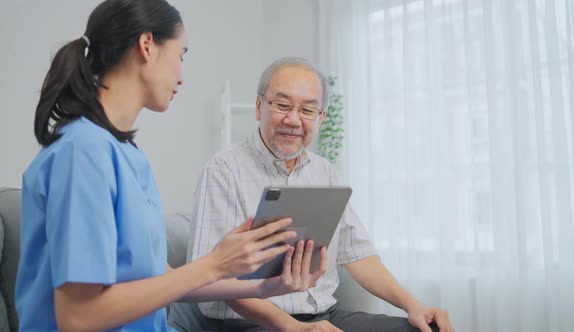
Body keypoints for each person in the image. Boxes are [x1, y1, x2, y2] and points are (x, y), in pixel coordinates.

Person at [15, 2, 326, 331]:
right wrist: (212, 264)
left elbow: (159, 278)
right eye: (182, 55)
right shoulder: (82, 152)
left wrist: (265, 287)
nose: (182, 76)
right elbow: (78, 317)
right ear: (147, 45)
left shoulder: (126, 153)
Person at [182, 57, 455, 332]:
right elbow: (211, 279)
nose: (293, 119)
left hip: (324, 316)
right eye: (282, 105)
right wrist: (292, 327)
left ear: (321, 118)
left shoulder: (324, 172)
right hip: (249, 324)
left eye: (307, 110)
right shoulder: (223, 171)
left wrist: (413, 306)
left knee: (422, 330)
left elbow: (358, 253)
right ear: (258, 107)